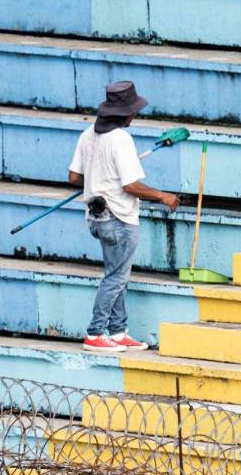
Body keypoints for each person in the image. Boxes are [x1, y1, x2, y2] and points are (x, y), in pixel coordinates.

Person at [68, 81, 180, 352]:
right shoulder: (121, 139)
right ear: (124, 114)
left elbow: (74, 177)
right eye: (133, 111)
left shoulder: (87, 135)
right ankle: (96, 333)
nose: (135, 116)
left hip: (97, 218)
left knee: (116, 274)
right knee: (116, 277)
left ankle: (117, 331)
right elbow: (131, 186)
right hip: (119, 218)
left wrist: (99, 175)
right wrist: (163, 196)